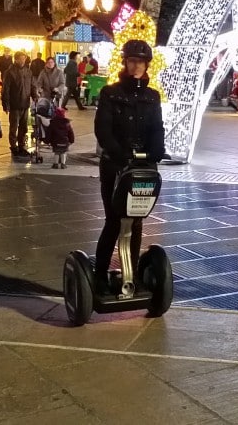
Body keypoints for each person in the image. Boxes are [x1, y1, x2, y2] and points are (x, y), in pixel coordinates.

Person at [94, 40, 166, 289]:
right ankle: (99, 274)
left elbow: (157, 127)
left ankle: (132, 273)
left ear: (146, 65)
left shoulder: (152, 96)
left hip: (142, 167)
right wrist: (120, 152)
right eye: (132, 61)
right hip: (115, 166)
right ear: (125, 62)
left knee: (136, 221)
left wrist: (157, 149)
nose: (136, 66)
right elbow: (102, 130)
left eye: (141, 62)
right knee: (114, 220)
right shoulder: (110, 93)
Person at [1, 51, 36, 156]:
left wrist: (35, 96)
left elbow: (32, 85)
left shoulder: (28, 71)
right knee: (14, 127)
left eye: (24, 59)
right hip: (15, 104)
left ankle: (21, 145)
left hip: (25, 104)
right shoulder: (10, 72)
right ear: (15, 59)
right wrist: (6, 104)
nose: (22, 61)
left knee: (23, 127)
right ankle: (13, 146)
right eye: (20, 59)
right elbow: (5, 90)